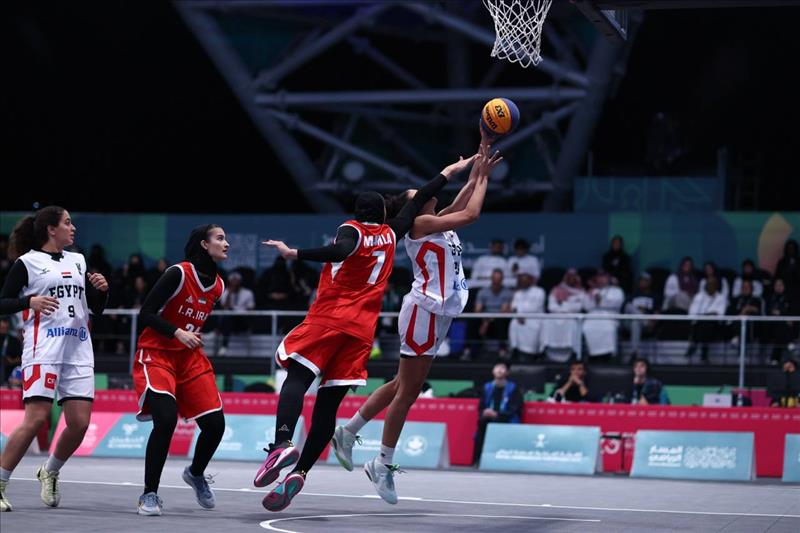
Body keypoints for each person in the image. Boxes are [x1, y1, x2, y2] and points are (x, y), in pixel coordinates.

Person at [254, 152, 480, 512]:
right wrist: (454, 169)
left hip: (330, 319)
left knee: (297, 377)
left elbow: (342, 249)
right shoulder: (392, 234)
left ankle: (283, 444)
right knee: (330, 406)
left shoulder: (353, 229)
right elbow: (426, 197)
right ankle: (302, 471)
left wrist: (293, 253)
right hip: (362, 331)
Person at [331, 140, 500, 504]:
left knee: (400, 384)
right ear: (414, 207)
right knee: (408, 392)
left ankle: (348, 431)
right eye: (418, 194)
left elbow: (466, 193)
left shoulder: (438, 221)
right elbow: (471, 213)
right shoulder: (421, 224)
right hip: (424, 312)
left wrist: (482, 152)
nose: (427, 193)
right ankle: (381, 463)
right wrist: (485, 178)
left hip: (438, 315)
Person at [0, 206, 109, 512]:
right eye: (67, 223)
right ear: (51, 229)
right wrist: (29, 301)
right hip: (43, 348)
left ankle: (49, 471)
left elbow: (95, 308)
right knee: (36, 419)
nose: (73, 228)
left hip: (78, 348)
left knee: (80, 424)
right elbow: (3, 302)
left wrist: (102, 291)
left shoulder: (79, 260)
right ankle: (1, 481)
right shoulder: (27, 263)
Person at [133, 224, 229, 516]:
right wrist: (177, 332)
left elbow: (195, 320)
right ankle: (149, 494)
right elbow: (146, 313)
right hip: (157, 353)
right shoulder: (178, 273)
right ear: (204, 244)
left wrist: (189, 335)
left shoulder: (218, 286)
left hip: (189, 358)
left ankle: (196, 473)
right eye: (220, 238)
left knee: (215, 425)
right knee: (165, 420)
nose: (226, 244)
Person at [472, 361, 523, 465]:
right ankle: (478, 460)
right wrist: (485, 411)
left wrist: (498, 414)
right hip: (488, 418)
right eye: (497, 367)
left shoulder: (513, 388)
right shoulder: (487, 387)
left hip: (506, 418)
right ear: (493, 371)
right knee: (482, 423)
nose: (499, 370)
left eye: (502, 368)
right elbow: (481, 406)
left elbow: (515, 408)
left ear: (507, 372)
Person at [507, 273, 546, 362]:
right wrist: (518, 315)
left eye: (525, 281)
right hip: (520, 318)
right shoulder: (518, 293)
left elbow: (535, 307)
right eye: (521, 281)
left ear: (530, 281)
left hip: (535, 318)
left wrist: (521, 313)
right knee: (513, 323)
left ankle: (535, 353)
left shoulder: (539, 291)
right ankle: (515, 349)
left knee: (534, 326)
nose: (522, 283)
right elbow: (513, 307)